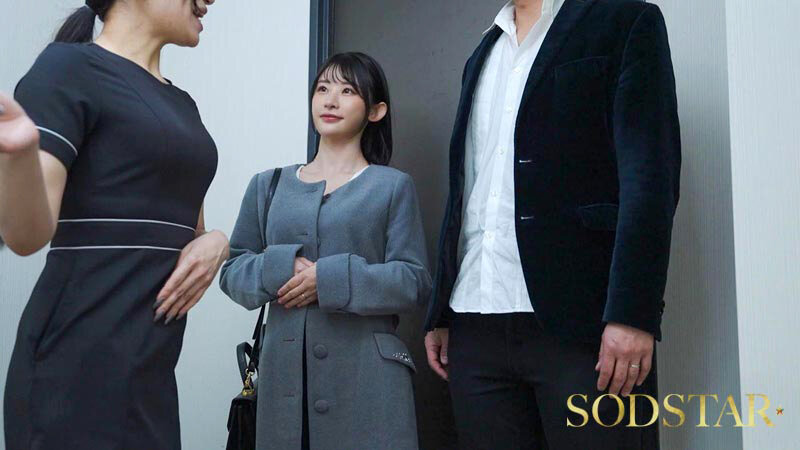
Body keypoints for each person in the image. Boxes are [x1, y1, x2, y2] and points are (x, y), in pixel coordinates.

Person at [424, 0, 681, 448]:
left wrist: (632, 314)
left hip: (585, 326)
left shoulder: (626, 21)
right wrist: (442, 310)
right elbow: (470, 188)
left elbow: (650, 181)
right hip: (474, 325)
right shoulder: (483, 52)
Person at [0, 1, 226, 448]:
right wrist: (20, 156)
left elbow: (190, 230)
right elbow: (24, 237)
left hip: (150, 373)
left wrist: (216, 242)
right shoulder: (67, 68)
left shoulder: (183, 105)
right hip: (73, 367)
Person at [220, 52, 431, 450]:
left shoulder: (392, 186)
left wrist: (329, 278)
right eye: (322, 89)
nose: (330, 100)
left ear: (376, 110)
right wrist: (281, 267)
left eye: (347, 91)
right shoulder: (268, 185)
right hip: (285, 387)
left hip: (369, 385)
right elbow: (233, 273)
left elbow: (413, 281)